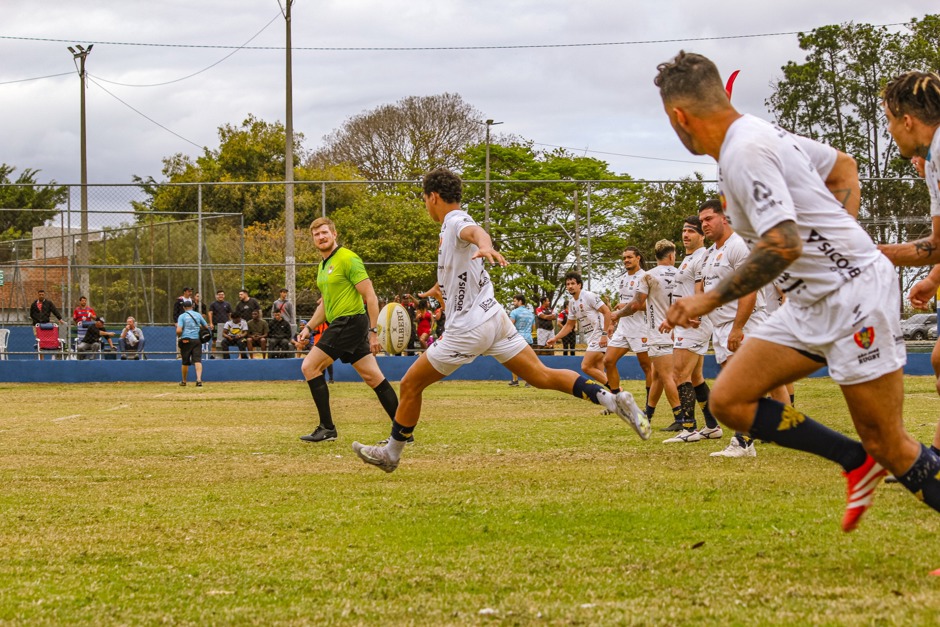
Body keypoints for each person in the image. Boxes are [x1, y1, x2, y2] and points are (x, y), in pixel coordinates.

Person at [656, 51, 940, 531]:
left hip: (853, 298)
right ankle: (854, 461)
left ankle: (870, 456)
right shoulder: (758, 133)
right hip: (811, 300)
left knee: (890, 442)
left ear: (678, 117)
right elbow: (843, 167)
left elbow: (782, 244)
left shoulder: (744, 151)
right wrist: (835, 238)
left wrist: (707, 299)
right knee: (729, 401)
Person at [352, 168, 650, 473]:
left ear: (433, 197)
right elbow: (457, 274)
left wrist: (485, 244)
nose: (425, 205)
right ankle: (613, 400)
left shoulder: (455, 220)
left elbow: (474, 231)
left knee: (411, 384)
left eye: (424, 200)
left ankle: (391, 453)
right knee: (541, 375)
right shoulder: (449, 229)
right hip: (494, 317)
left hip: (469, 328)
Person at [878, 70, 940, 472]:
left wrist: (874, 253)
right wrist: (934, 278)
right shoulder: (933, 158)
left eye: (887, 119)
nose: (888, 130)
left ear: (907, 120)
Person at [297, 217, 400, 443]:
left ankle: (327, 428)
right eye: (317, 234)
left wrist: (374, 331)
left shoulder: (348, 258)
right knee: (373, 377)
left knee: (309, 366)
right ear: (313, 239)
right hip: (342, 323)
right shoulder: (323, 266)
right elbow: (325, 304)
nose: (321, 237)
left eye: (325, 232)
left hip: (350, 322)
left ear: (335, 234)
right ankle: (404, 431)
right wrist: (309, 328)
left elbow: (370, 296)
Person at [661, 216, 721, 443]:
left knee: (679, 374)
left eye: (692, 231)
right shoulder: (688, 259)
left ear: (702, 236)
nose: (686, 235)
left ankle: (688, 428)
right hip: (687, 322)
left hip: (694, 322)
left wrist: (694, 313)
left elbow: (702, 288)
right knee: (695, 377)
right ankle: (712, 426)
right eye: (684, 230)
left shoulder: (702, 257)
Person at [616, 240, 685, 432]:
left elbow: (637, 304)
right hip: (678, 330)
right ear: (672, 255)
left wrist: (617, 314)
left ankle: (680, 418)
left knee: (665, 376)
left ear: (655, 256)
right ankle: (647, 415)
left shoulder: (648, 276)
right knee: (656, 376)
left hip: (658, 331)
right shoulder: (680, 273)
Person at [603, 246, 654, 413]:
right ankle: (617, 402)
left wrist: (629, 306)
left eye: (629, 257)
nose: (626, 260)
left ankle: (649, 408)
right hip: (623, 328)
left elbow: (649, 305)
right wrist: (612, 323)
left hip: (641, 328)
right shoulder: (623, 279)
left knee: (647, 367)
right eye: (624, 258)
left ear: (638, 258)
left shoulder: (645, 277)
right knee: (608, 361)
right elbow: (620, 305)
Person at [546, 271, 613, 385]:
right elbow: (569, 325)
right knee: (599, 369)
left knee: (586, 366)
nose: (570, 286)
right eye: (568, 284)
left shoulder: (589, 296)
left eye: (573, 283)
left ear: (579, 285)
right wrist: (555, 338)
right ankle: (615, 393)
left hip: (599, 334)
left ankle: (616, 389)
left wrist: (604, 334)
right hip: (591, 336)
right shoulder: (572, 303)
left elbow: (607, 312)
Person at [176, 299, 208, 387]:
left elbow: (178, 330)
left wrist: (180, 335)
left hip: (186, 340)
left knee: (185, 361)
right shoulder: (198, 315)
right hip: (197, 340)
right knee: (197, 360)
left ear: (184, 307)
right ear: (192, 306)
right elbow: (205, 326)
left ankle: (184, 381)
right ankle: (199, 380)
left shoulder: (182, 316)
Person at [508, 294, 536, 387]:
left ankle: (515, 381)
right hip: (528, 338)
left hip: (517, 338)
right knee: (528, 361)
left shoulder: (514, 312)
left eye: (515, 301)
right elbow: (533, 328)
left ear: (520, 301)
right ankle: (529, 381)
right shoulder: (531, 313)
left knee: (514, 360)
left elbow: (510, 326)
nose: (514, 303)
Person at [208, 290, 232, 358]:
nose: (220, 296)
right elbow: (210, 313)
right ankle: (213, 355)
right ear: (216, 296)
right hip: (216, 325)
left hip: (225, 326)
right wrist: (211, 323)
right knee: (214, 340)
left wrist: (231, 323)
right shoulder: (213, 304)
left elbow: (230, 314)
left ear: (224, 296)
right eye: (219, 294)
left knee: (225, 340)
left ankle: (225, 355)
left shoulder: (227, 304)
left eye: (222, 294)